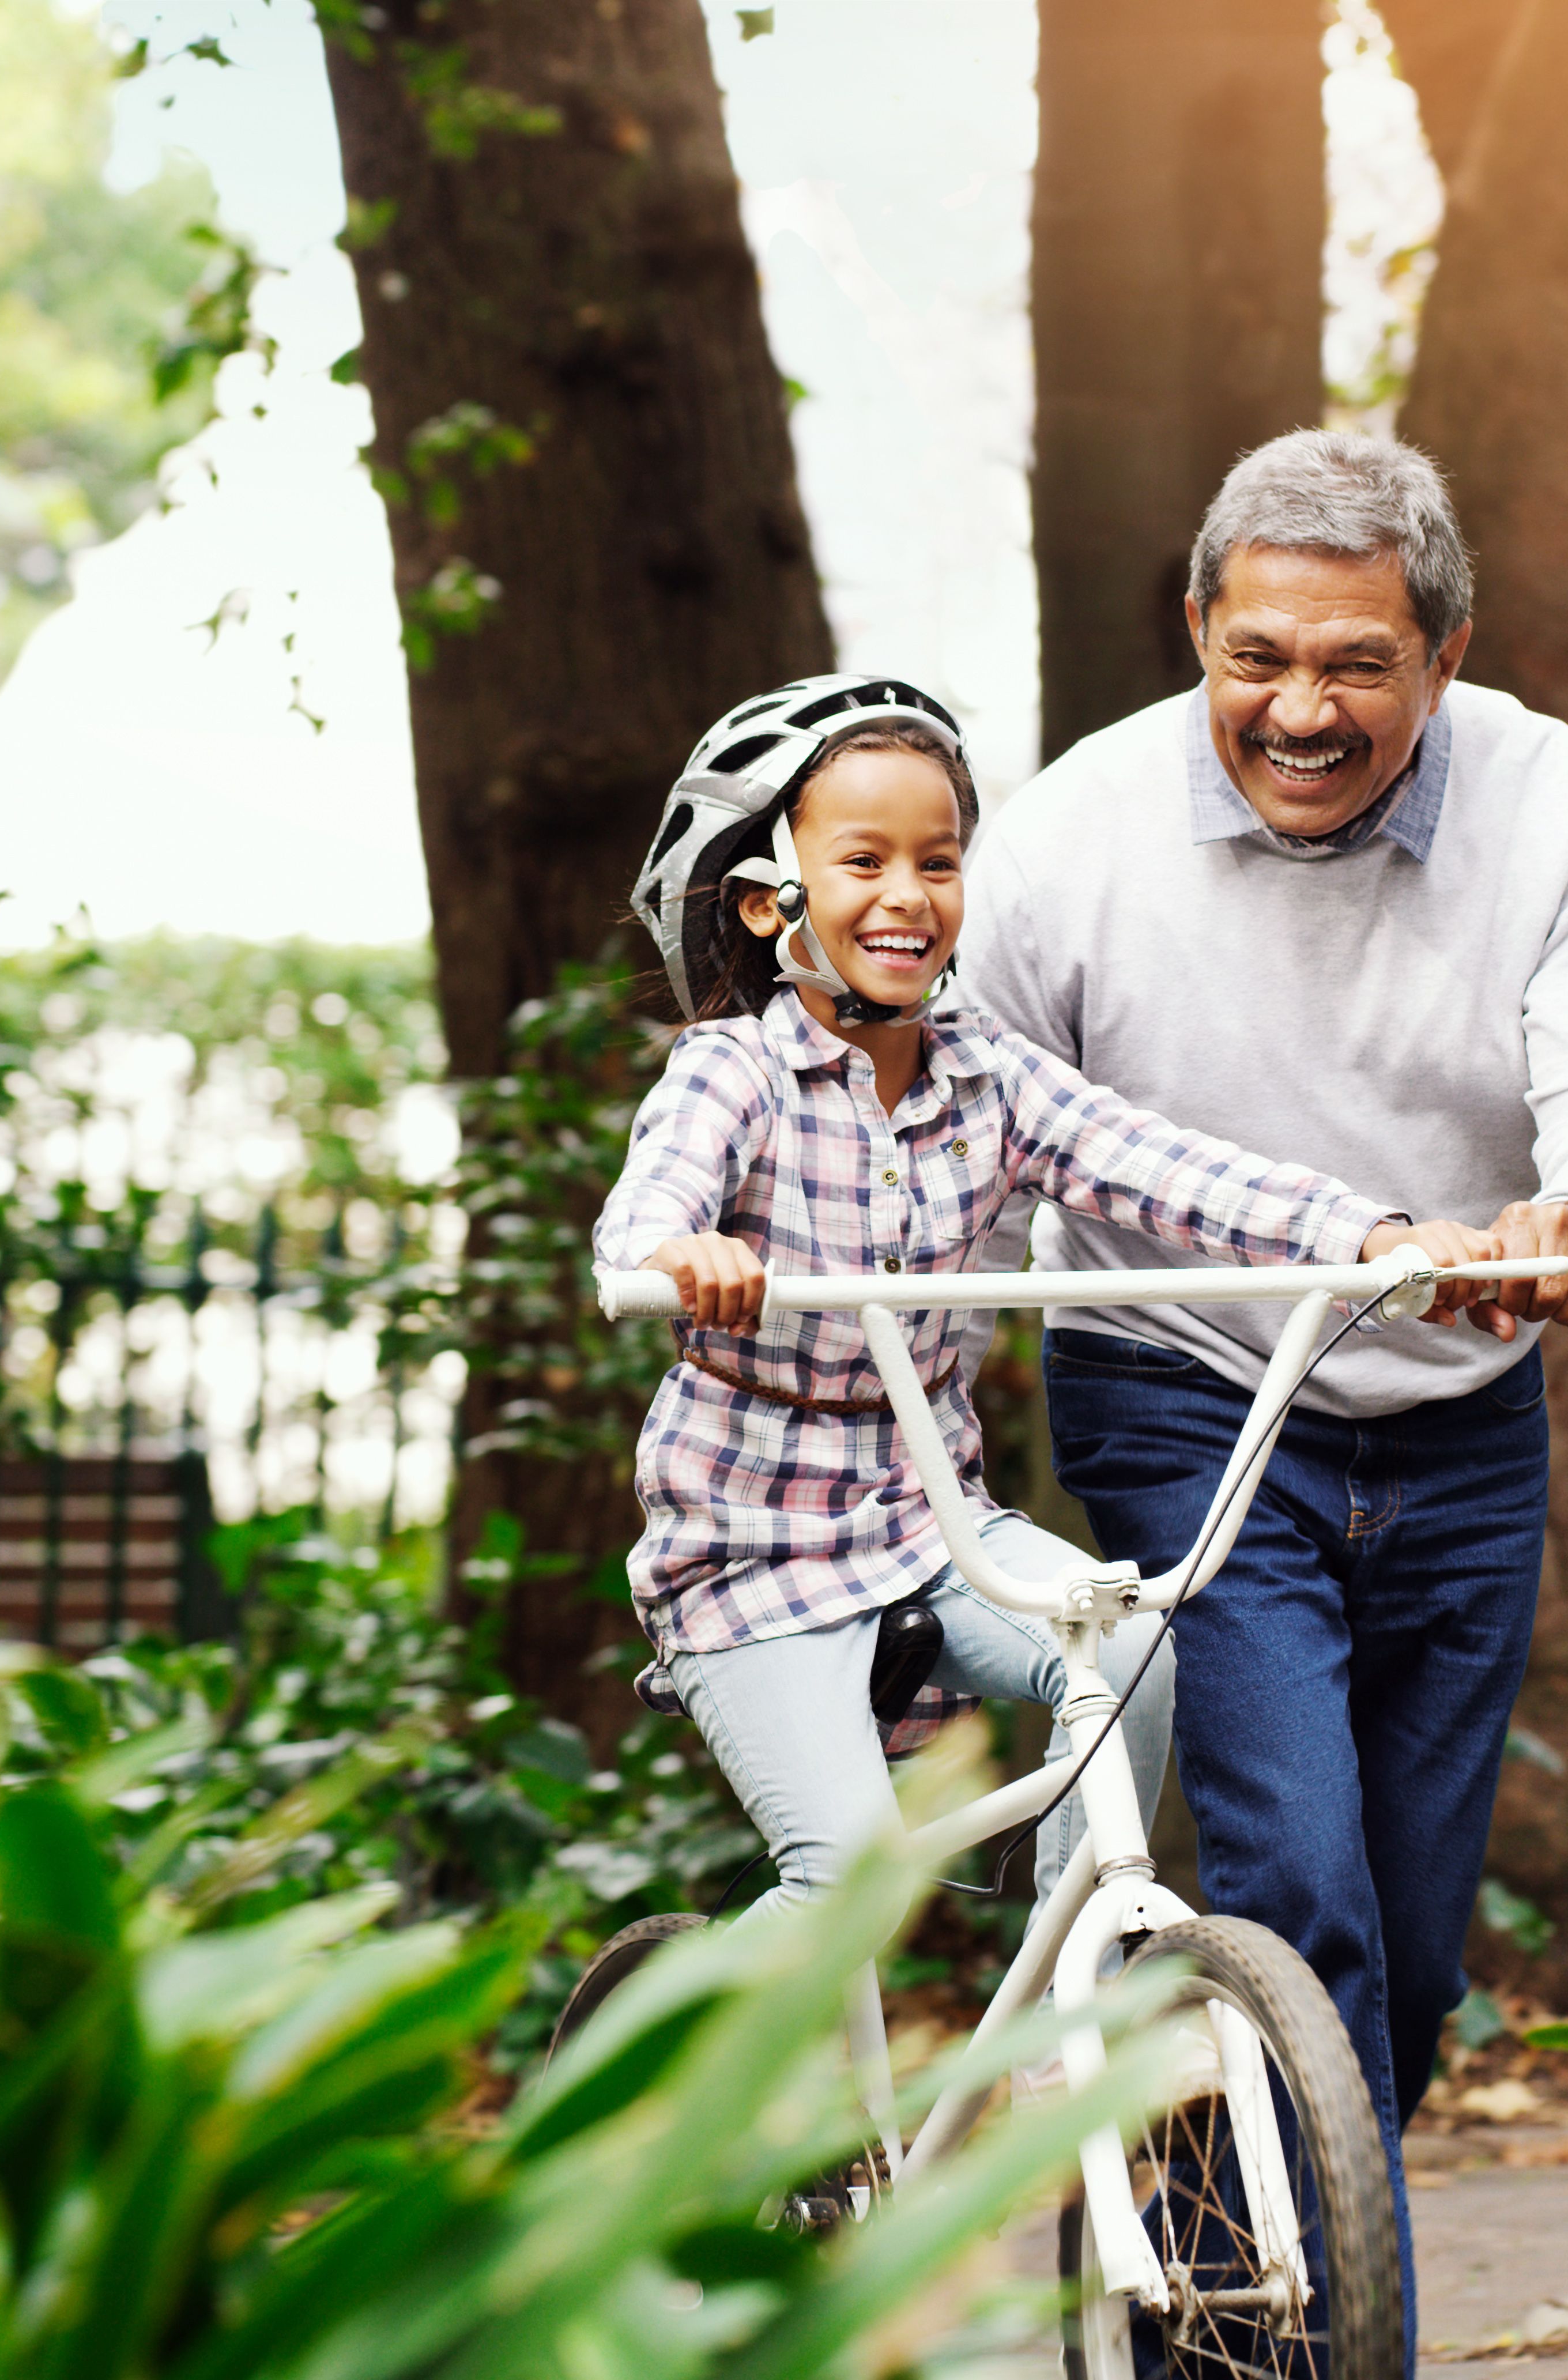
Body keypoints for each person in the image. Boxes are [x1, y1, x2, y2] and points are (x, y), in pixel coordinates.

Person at [959, 430, 1568, 2325]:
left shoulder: (1561, 807)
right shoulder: (1064, 838)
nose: (1299, 708)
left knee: (1412, 1963)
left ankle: (1233, 2279)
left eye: (1354, 665)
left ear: (1441, 659)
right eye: (1256, 656)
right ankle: (1300, 2345)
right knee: (1298, 1884)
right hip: (1180, 1376)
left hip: (1460, 1406)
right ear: (1197, 626)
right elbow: (954, 1130)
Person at [593, 671, 1502, 1911]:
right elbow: (643, 1222)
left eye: (939, 861)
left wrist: (1379, 1234)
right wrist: (681, 1257)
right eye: (863, 861)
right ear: (768, 903)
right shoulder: (733, 1074)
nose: (908, 895)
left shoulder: (990, 1077)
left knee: (1128, 1640)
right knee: (851, 1880)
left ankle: (1063, 2017)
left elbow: (1173, 1169)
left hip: (930, 1528)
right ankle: (672, 2084)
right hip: (753, 1551)